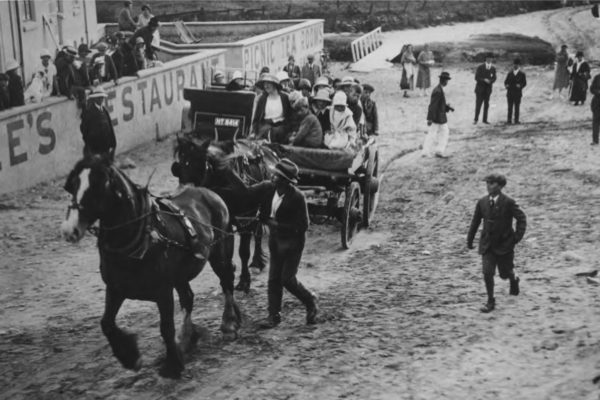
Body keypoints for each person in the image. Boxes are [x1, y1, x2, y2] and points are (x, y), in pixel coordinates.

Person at [241, 158, 318, 329]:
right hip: (276, 241)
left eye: (277, 175)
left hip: (293, 243)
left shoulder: (297, 197)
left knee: (287, 279)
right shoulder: (268, 188)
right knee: (274, 279)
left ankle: (310, 300)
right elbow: (246, 192)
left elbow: (304, 225)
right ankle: (273, 316)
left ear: (285, 180)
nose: (273, 177)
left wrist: (277, 225)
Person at [467, 174, 526, 313]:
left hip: (504, 245)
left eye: (492, 183)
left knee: (505, 273)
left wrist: (516, 237)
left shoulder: (508, 202)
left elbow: (522, 219)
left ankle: (514, 279)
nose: (488, 186)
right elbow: (475, 222)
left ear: (500, 186)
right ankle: (490, 301)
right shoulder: (482, 202)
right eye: (487, 183)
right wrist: (470, 239)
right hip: (487, 244)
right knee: (487, 273)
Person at [251, 74, 292, 143]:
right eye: (264, 84)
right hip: (265, 127)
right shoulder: (262, 99)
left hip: (281, 128)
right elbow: (256, 118)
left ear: (274, 84)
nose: (266, 86)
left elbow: (290, 116)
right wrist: (254, 132)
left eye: (268, 84)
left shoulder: (284, 98)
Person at [80, 86, 116, 159]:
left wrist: (113, 143)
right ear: (95, 99)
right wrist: (90, 145)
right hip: (96, 147)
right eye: (99, 97)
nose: (101, 99)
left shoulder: (104, 110)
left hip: (106, 145)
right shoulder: (89, 112)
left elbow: (110, 127)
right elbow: (84, 129)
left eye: (102, 97)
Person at [424, 71, 453, 158]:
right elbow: (433, 106)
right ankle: (431, 151)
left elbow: (438, 104)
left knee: (438, 133)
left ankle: (434, 151)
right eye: (447, 80)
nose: (447, 82)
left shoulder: (438, 89)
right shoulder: (438, 91)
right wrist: (430, 118)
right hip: (437, 117)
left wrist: (447, 107)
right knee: (436, 133)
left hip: (439, 116)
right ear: (444, 81)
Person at [474, 54, 497, 124]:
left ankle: (485, 120)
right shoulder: (480, 67)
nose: (489, 60)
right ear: (486, 59)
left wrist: (490, 81)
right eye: (488, 58)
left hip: (488, 90)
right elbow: (476, 77)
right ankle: (476, 119)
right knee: (478, 105)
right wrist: (484, 80)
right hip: (480, 89)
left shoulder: (493, 68)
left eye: (491, 58)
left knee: (486, 105)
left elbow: (494, 78)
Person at [504, 58, 527, 125]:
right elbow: (506, 82)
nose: (515, 66)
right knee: (509, 107)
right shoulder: (510, 73)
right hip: (510, 92)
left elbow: (524, 83)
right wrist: (506, 85)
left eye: (516, 65)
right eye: (514, 65)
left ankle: (516, 120)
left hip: (517, 93)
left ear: (519, 65)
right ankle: (509, 120)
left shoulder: (522, 74)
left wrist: (520, 86)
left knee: (517, 107)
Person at [590, 72, 600, 145]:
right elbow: (592, 89)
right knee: (595, 122)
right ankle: (595, 140)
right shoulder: (597, 77)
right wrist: (598, 92)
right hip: (597, 103)